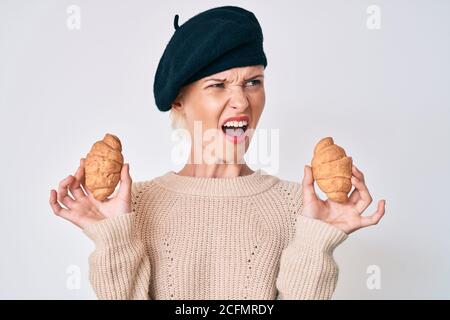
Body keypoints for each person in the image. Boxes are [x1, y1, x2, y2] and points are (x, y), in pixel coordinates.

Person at [49, 5, 386, 300]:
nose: (241, 101)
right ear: (180, 99)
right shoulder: (132, 208)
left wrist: (318, 241)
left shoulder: (301, 207)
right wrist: (113, 238)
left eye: (253, 82)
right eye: (218, 85)